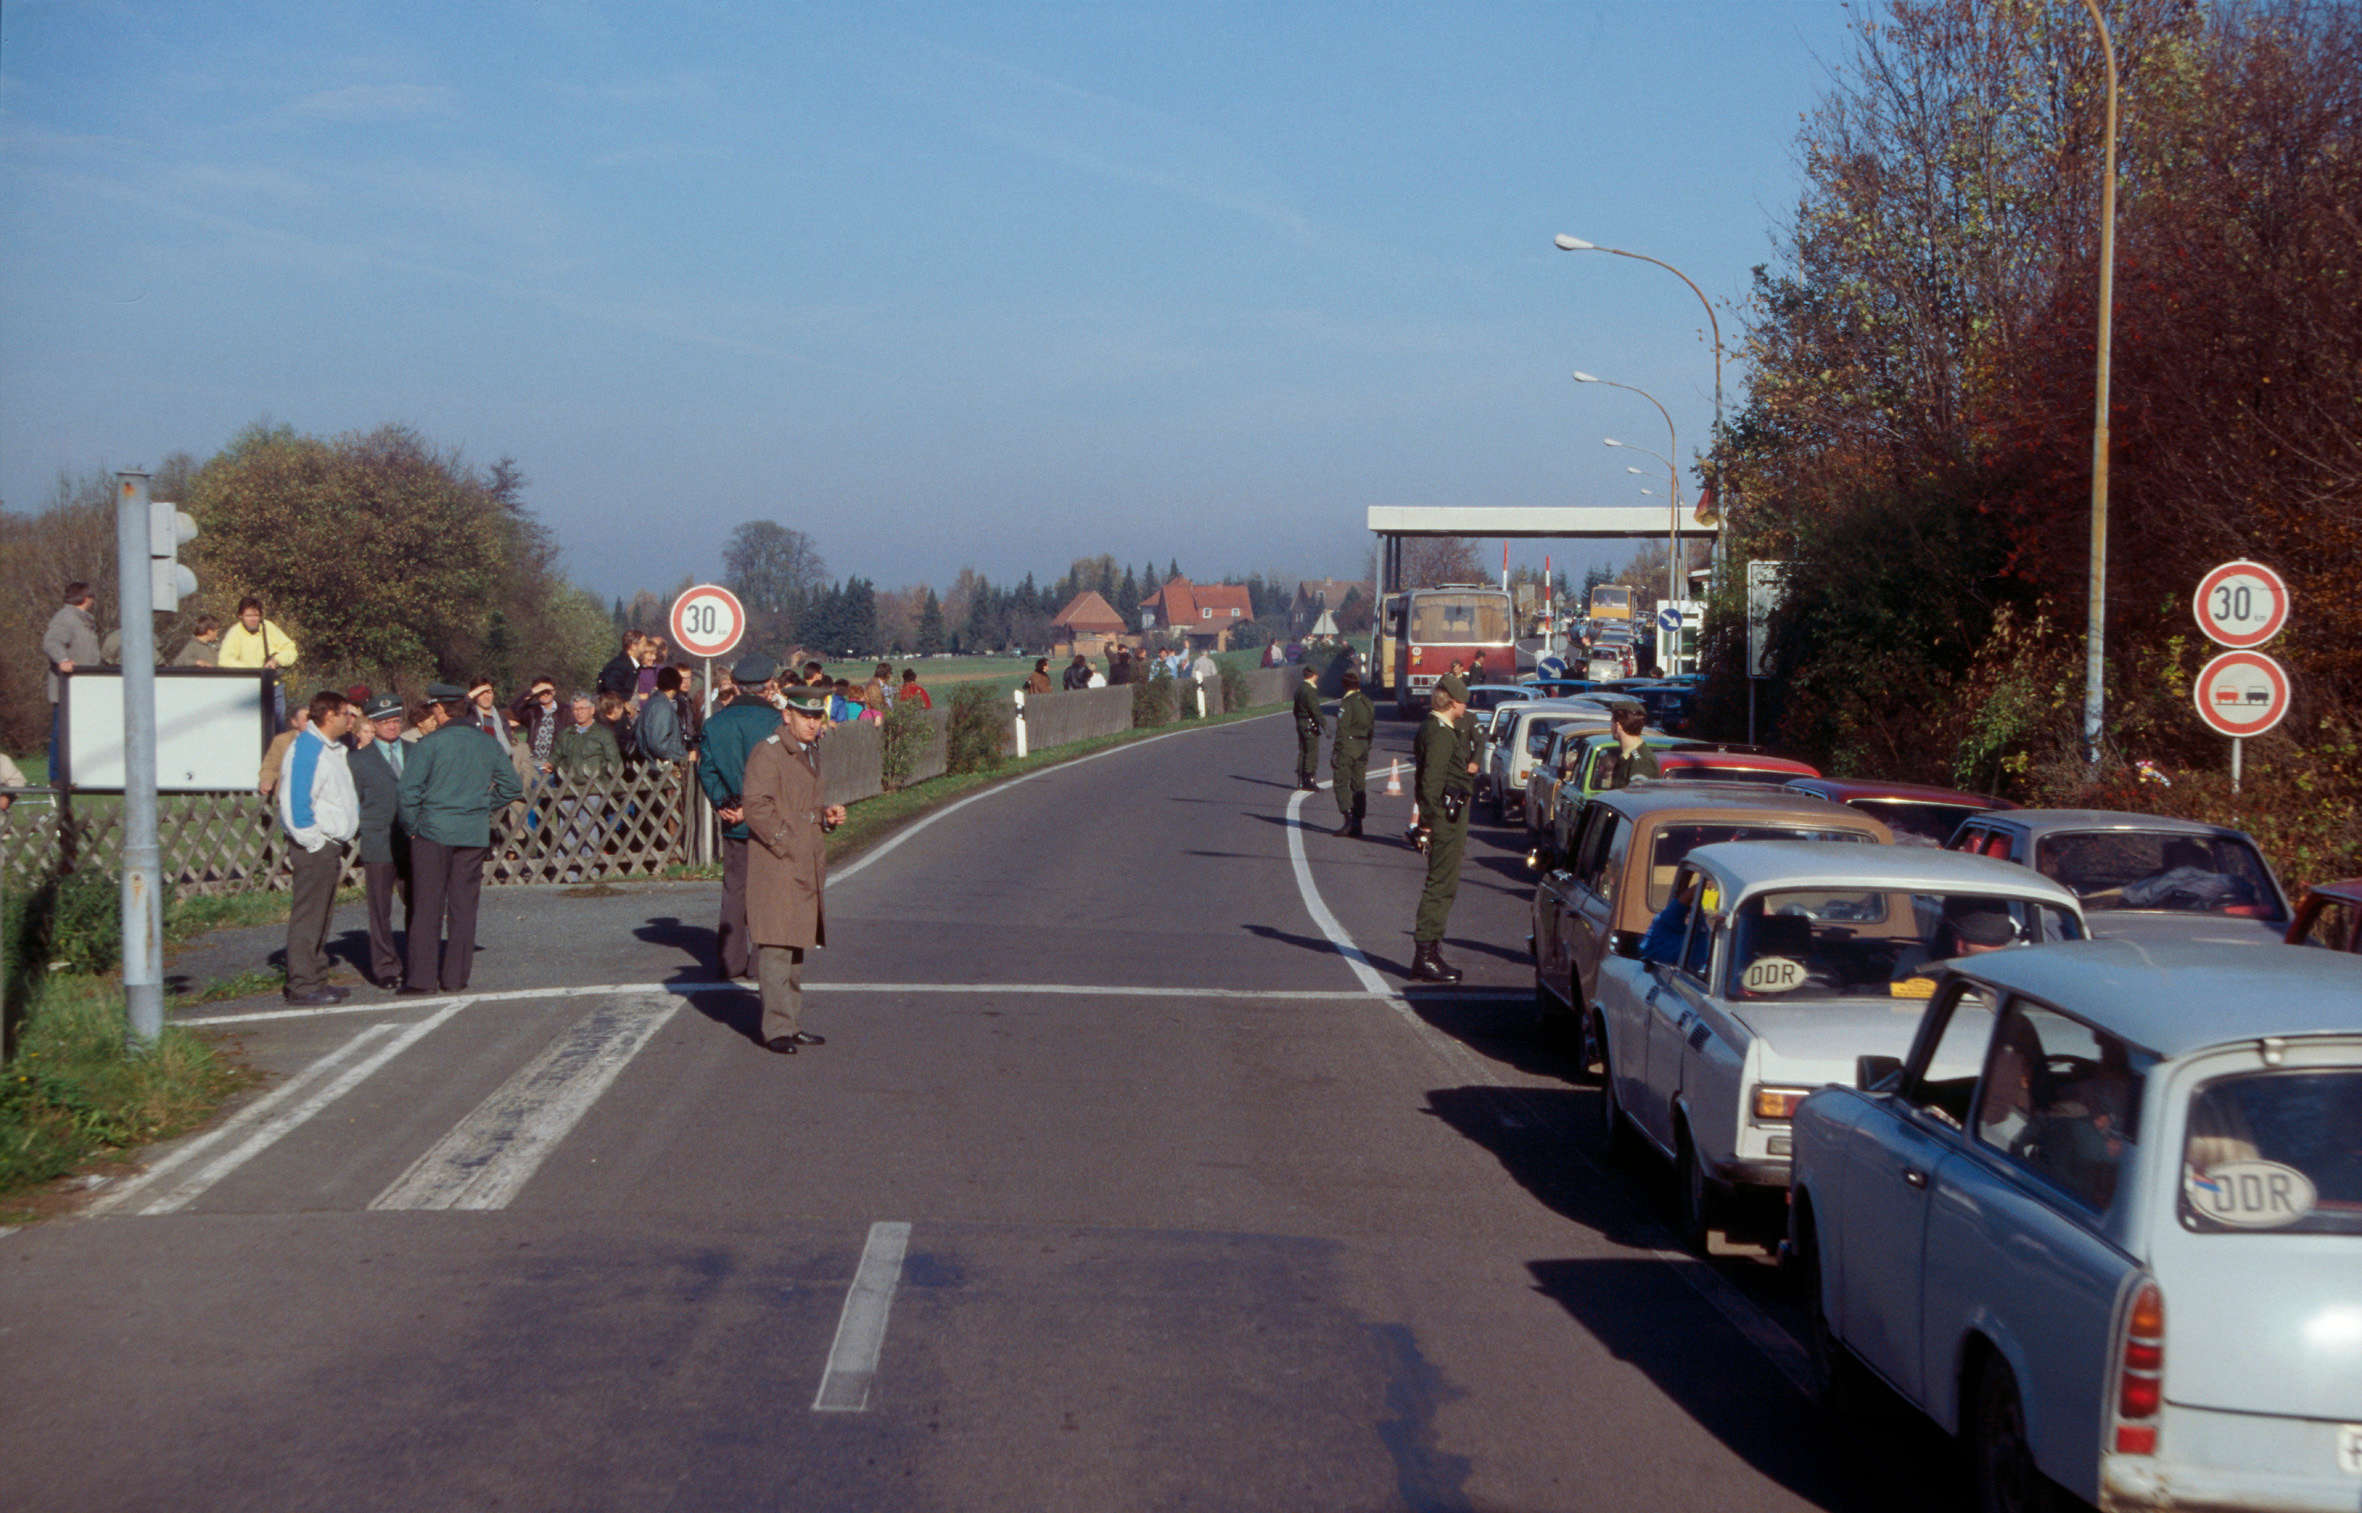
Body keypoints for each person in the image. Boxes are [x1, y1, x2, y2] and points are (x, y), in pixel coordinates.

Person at [396, 683, 523, 993]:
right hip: (472, 832)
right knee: (463, 908)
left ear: (440, 709)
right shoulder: (486, 743)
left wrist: (412, 826)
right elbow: (511, 787)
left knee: (427, 906)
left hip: (433, 831)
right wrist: (481, 807)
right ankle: (456, 978)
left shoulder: (430, 744)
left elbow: (407, 791)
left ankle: (421, 979)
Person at [742, 686, 845, 1054]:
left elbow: (803, 804)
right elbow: (755, 806)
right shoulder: (769, 752)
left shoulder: (809, 751)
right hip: (778, 861)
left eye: (817, 717)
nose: (813, 723)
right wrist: (787, 841)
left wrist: (825, 817)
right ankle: (776, 1029)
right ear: (788, 715)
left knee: (797, 942)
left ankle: (791, 1021)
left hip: (803, 859)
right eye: (806, 716)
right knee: (775, 945)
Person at [698, 657, 783, 980]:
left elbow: (706, 769)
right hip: (769, 819)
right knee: (768, 890)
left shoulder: (715, 724)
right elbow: (781, 774)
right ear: (768, 685)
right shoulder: (778, 723)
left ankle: (730, 959)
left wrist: (724, 802)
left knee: (734, 888)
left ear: (735, 684)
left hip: (733, 816)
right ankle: (762, 960)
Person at [277, 690, 358, 1005]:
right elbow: (297, 801)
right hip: (315, 845)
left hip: (328, 844)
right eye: (345, 713)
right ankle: (302, 984)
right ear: (330, 715)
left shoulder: (331, 749)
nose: (350, 719)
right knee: (309, 915)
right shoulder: (307, 748)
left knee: (322, 915)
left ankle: (316, 978)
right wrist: (313, 840)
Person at [1409, 677, 1475, 982]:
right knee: (1441, 886)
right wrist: (1435, 822)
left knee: (1444, 886)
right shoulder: (1440, 735)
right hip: (1446, 821)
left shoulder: (1437, 729)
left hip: (1447, 818)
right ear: (1451, 702)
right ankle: (1426, 956)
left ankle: (1431, 951)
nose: (1466, 706)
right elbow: (1431, 783)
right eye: (1463, 701)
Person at [348, 693, 411, 988]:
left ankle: (418, 961)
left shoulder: (416, 752)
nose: (392, 726)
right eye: (385, 721)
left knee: (420, 904)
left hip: (413, 842)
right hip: (379, 842)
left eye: (396, 720)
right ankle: (386, 967)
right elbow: (353, 801)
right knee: (380, 910)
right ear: (373, 724)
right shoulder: (358, 760)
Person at [552, 691, 622, 876]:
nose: (579, 712)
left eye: (583, 708)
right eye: (575, 709)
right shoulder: (565, 734)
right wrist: (550, 764)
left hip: (593, 790)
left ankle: (590, 872)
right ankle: (567, 873)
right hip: (568, 790)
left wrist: (605, 785)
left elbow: (613, 761)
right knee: (566, 829)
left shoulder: (603, 734)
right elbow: (556, 756)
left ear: (592, 710)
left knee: (589, 829)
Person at [42, 581, 103, 777]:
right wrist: (63, 660)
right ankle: (58, 778)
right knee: (62, 734)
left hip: (83, 689)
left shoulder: (83, 620)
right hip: (66, 689)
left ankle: (80, 773)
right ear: (86, 598)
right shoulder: (66, 618)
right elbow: (51, 642)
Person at [1331, 668, 1375, 837]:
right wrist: (1367, 746)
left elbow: (1342, 729)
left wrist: (1336, 752)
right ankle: (1358, 821)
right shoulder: (1367, 702)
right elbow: (1372, 727)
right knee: (1359, 784)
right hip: (1363, 745)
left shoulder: (1347, 703)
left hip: (1348, 746)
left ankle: (1348, 818)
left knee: (1341, 782)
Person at [634, 666, 691, 764]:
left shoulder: (654, 702)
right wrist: (683, 756)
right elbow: (658, 744)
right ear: (676, 684)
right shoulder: (662, 707)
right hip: (659, 767)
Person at [1604, 706, 1661, 788]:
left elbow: (1638, 798)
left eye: (1611, 722)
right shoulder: (1630, 754)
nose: (1610, 727)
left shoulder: (1641, 762)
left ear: (1618, 726)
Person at [1291, 664, 1325, 790]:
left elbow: (1295, 709)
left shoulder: (1299, 689)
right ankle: (1309, 779)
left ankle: (1300, 778)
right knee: (1311, 751)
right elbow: (1314, 710)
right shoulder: (1309, 691)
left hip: (1300, 722)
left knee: (1303, 750)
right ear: (1313, 675)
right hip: (1309, 724)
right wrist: (1324, 725)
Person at [596, 632, 643, 701]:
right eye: (644, 645)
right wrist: (624, 703)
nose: (646, 648)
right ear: (633, 646)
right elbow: (610, 689)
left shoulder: (633, 666)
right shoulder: (619, 665)